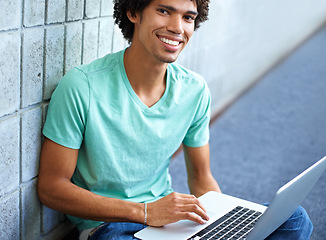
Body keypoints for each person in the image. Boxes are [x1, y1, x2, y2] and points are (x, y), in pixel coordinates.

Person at [37, 0, 313, 239]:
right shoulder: (81, 86)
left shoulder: (194, 90)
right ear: (133, 12)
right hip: (112, 226)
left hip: (170, 223)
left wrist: (218, 220)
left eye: (188, 17)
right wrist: (145, 212)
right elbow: (52, 188)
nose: (177, 27)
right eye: (164, 11)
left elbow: (201, 176)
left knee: (295, 219)